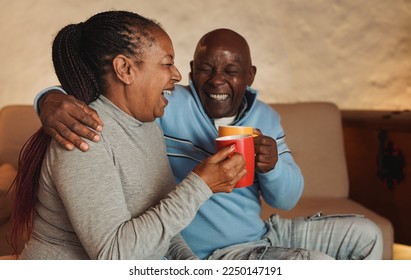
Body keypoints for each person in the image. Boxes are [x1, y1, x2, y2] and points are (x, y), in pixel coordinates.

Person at [33, 28, 383, 260]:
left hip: (262, 233)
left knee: (365, 234)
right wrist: (47, 98)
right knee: (316, 265)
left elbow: (287, 199)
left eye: (231, 71)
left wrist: (272, 166)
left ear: (250, 76)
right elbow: (108, 93)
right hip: (214, 252)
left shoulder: (265, 119)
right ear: (191, 70)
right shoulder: (164, 108)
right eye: (204, 69)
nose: (217, 80)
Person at [9, 12, 247, 260]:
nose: (176, 75)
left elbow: (163, 231)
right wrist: (200, 185)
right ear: (125, 69)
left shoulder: (148, 124)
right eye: (166, 63)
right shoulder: (85, 135)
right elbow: (114, 258)